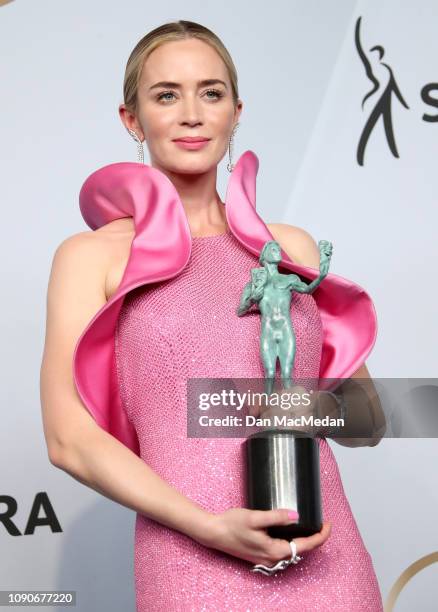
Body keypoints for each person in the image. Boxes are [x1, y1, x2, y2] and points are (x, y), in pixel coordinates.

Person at [40, 19, 384, 611]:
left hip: (327, 560)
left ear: (235, 111)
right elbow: (68, 441)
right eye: (166, 95)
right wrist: (209, 527)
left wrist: (277, 397)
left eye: (211, 92)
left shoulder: (290, 247)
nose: (192, 114)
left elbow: (367, 424)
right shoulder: (90, 256)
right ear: (132, 119)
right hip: (191, 562)